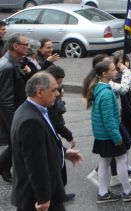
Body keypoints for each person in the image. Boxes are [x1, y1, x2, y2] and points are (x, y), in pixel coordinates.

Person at [10, 72, 83, 211]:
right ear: (39, 92)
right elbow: (35, 163)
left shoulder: (34, 110)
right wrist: (43, 198)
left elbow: (44, 143)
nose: (58, 94)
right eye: (54, 90)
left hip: (46, 193)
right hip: (37, 199)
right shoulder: (30, 121)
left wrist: (65, 153)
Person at [84, 59, 131, 203]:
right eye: (113, 70)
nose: (116, 71)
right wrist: (117, 136)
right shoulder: (106, 93)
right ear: (104, 74)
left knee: (105, 161)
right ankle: (128, 192)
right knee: (122, 159)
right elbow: (109, 119)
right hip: (109, 134)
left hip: (102, 134)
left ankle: (103, 193)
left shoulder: (100, 87)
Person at [0, 33, 31, 183]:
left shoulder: (16, 63)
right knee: (17, 143)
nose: (28, 47)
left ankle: (5, 169)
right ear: (15, 46)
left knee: (15, 144)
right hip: (13, 114)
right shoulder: (7, 66)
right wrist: (14, 123)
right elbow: (6, 100)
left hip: (19, 111)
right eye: (26, 44)